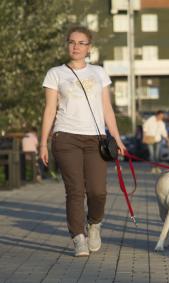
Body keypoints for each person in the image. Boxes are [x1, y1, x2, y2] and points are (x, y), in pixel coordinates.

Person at [40, 26, 126, 257]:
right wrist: (42, 143)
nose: (76, 46)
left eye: (81, 43)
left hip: (95, 139)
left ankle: (94, 223)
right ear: (67, 45)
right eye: (72, 42)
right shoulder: (55, 73)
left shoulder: (99, 72)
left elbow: (107, 109)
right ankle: (78, 237)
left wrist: (117, 138)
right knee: (75, 190)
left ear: (89, 47)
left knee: (98, 191)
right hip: (65, 137)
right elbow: (50, 110)